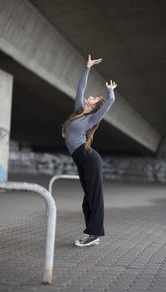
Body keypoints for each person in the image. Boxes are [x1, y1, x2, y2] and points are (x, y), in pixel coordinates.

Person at [62, 54, 117, 247]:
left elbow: (109, 104)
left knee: (94, 197)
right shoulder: (78, 111)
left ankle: (93, 234)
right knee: (88, 199)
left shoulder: (92, 119)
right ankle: (91, 233)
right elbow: (80, 89)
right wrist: (87, 68)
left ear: (94, 107)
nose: (90, 97)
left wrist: (110, 92)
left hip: (89, 158)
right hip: (81, 159)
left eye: (93, 98)